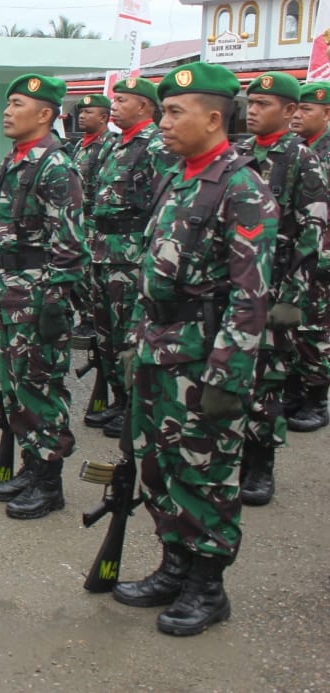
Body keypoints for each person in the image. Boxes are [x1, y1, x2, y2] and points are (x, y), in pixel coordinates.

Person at [115, 61, 277, 637]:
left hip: (204, 357)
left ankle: (208, 586)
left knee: (207, 471)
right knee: (159, 466)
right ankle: (173, 565)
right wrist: (137, 340)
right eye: (161, 111)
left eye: (174, 112)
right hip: (160, 349)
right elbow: (148, 269)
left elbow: (250, 294)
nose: (162, 122)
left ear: (213, 118)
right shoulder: (178, 176)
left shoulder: (241, 185)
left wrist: (227, 378)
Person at [0, 75, 89, 519]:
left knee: (41, 386)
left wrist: (52, 303)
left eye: (18, 103)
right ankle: (31, 463)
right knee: (16, 384)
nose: (7, 111)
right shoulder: (17, 159)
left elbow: (70, 243)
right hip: (14, 291)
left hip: (38, 295)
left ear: (45, 114)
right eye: (7, 103)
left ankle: (49, 480)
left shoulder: (56, 166)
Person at [233, 71, 328, 505]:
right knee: (231, 378)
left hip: (275, 290)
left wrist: (294, 299)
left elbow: (315, 234)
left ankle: (259, 465)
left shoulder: (302, 160)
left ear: (290, 112)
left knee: (266, 384)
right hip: (236, 289)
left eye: (263, 105)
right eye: (250, 104)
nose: (253, 111)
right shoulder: (237, 155)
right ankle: (229, 458)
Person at [89, 76, 176, 438]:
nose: (115, 106)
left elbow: (161, 207)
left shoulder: (156, 146)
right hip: (102, 251)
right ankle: (119, 399)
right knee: (105, 334)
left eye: (122, 100)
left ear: (143, 106)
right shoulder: (114, 143)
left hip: (130, 257)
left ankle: (133, 405)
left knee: (129, 336)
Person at [286, 81, 330, 431]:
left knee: (314, 327)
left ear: (326, 114)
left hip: (324, 255)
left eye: (306, 110)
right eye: (295, 109)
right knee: (292, 325)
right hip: (297, 253)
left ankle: (316, 396)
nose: (297, 116)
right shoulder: (294, 151)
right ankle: (295, 388)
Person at [67, 94, 113, 343]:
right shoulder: (79, 145)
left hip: (94, 223)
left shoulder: (109, 146)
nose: (82, 116)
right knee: (77, 273)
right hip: (77, 220)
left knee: (89, 274)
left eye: (89, 112)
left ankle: (91, 319)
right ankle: (85, 316)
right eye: (81, 112)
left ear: (104, 117)